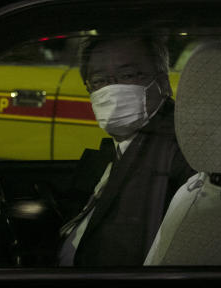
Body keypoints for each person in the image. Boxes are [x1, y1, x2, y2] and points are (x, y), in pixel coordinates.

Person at [57, 34, 192, 267]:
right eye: (99, 81)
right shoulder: (132, 145)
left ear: (163, 82)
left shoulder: (177, 153)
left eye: (128, 76)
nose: (112, 89)